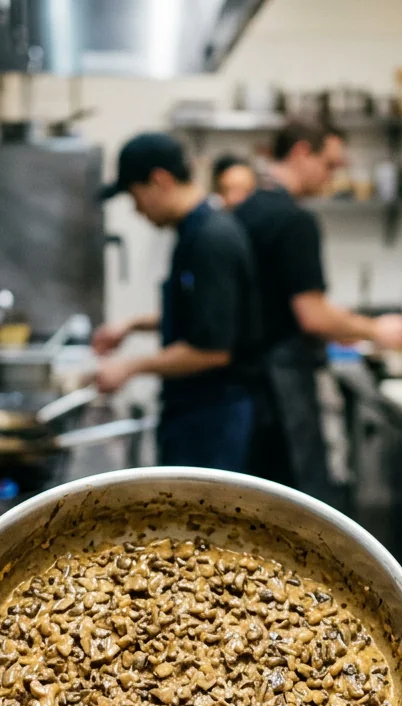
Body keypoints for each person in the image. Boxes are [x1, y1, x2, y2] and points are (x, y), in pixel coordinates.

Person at [234, 119, 402, 503]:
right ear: (301, 153)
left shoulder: (246, 209)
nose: (334, 175)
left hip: (247, 388)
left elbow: (273, 297)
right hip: (283, 389)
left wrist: (342, 323)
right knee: (297, 500)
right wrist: (376, 329)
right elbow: (310, 315)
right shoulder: (296, 221)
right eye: (330, 164)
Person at [93, 133, 260, 472]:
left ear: (160, 181)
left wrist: (129, 367)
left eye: (135, 196)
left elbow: (212, 349)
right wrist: (131, 325)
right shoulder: (194, 231)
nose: (137, 210)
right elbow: (201, 313)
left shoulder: (211, 239)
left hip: (213, 419)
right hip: (198, 413)